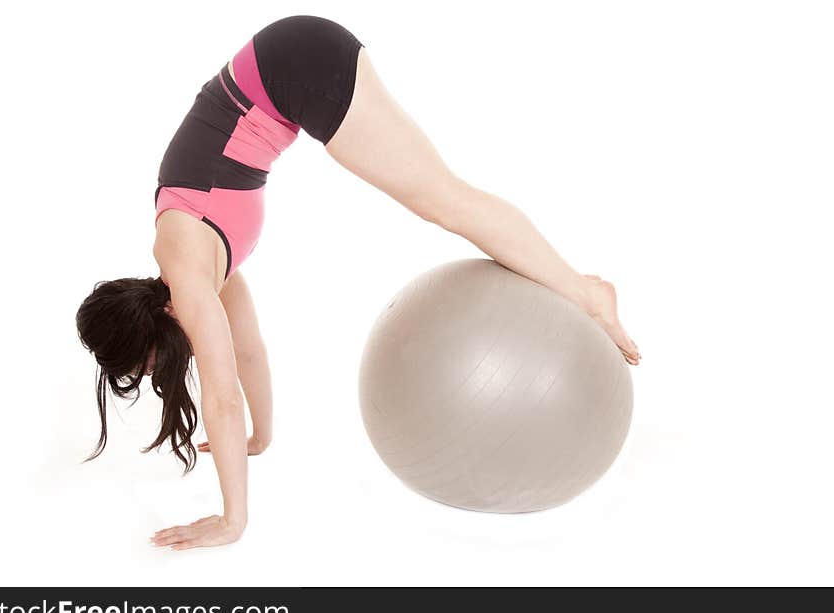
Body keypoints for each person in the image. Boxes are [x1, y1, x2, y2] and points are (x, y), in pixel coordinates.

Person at [76, 16, 640, 551]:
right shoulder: (204, 271)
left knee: (442, 199)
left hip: (298, 66)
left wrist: (232, 520)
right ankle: (580, 287)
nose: (157, 373)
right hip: (292, 66)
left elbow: (222, 397)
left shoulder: (186, 269)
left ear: (147, 336)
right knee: (441, 197)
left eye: (147, 366)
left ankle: (589, 294)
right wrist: (259, 439)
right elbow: (247, 352)